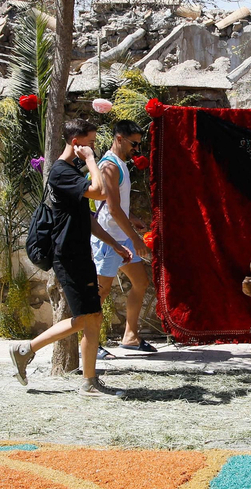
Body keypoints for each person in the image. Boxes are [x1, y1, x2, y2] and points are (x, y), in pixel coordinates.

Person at [9, 118, 129, 395]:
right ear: (76, 143)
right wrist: (91, 161)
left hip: (78, 252)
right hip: (69, 254)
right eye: (89, 144)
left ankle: (85, 380)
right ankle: (28, 350)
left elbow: (86, 216)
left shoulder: (70, 171)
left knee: (91, 317)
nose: (94, 149)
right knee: (89, 317)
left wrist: (113, 244)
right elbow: (99, 193)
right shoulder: (61, 172)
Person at [91, 118, 155, 354]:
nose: (136, 149)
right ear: (119, 138)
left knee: (141, 282)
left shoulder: (119, 164)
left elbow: (117, 207)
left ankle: (130, 336)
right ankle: (91, 343)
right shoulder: (109, 166)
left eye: (138, 145)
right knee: (101, 291)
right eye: (134, 144)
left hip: (121, 235)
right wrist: (136, 240)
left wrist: (132, 219)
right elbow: (113, 208)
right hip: (109, 239)